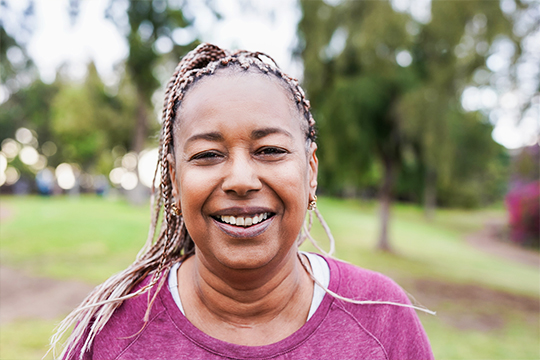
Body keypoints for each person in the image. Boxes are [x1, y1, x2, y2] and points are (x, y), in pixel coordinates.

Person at [52, 43, 434, 360]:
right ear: (173, 178)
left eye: (269, 150)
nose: (240, 181)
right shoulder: (113, 335)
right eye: (207, 155)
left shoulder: (382, 318)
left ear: (311, 170)